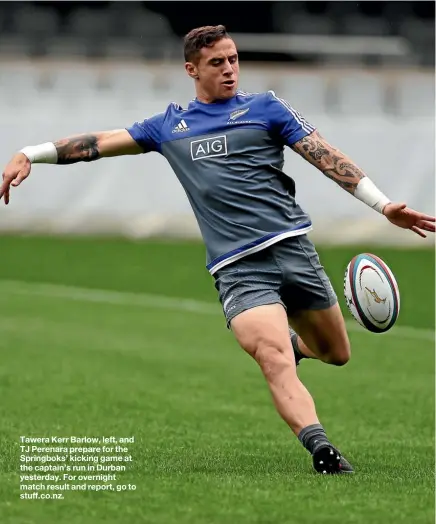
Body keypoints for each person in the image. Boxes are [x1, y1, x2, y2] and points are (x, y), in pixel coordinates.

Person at [1, 25, 434, 474]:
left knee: (336, 353)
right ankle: (322, 450)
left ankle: (296, 346)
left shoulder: (266, 108)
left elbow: (324, 155)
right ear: (192, 70)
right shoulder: (169, 126)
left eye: (233, 59)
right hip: (239, 269)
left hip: (294, 251)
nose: (229, 69)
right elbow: (98, 144)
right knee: (274, 359)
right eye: (216, 63)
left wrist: (383, 206)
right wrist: (31, 153)